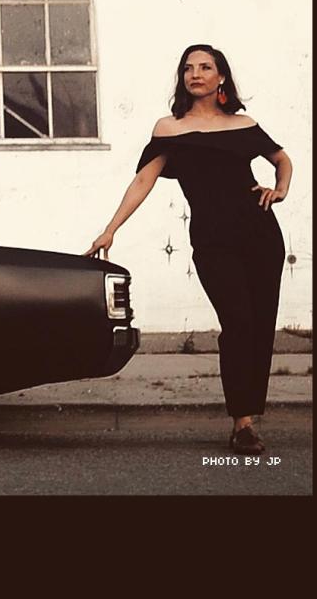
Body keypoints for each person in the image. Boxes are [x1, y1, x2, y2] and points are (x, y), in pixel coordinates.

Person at [87, 44, 292, 454]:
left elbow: (281, 158)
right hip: (213, 240)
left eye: (205, 67)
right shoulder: (169, 129)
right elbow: (142, 181)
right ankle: (243, 420)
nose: (195, 73)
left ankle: (245, 422)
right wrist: (111, 230)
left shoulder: (243, 123)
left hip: (260, 233)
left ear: (221, 78)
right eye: (188, 68)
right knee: (236, 322)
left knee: (258, 323)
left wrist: (281, 189)